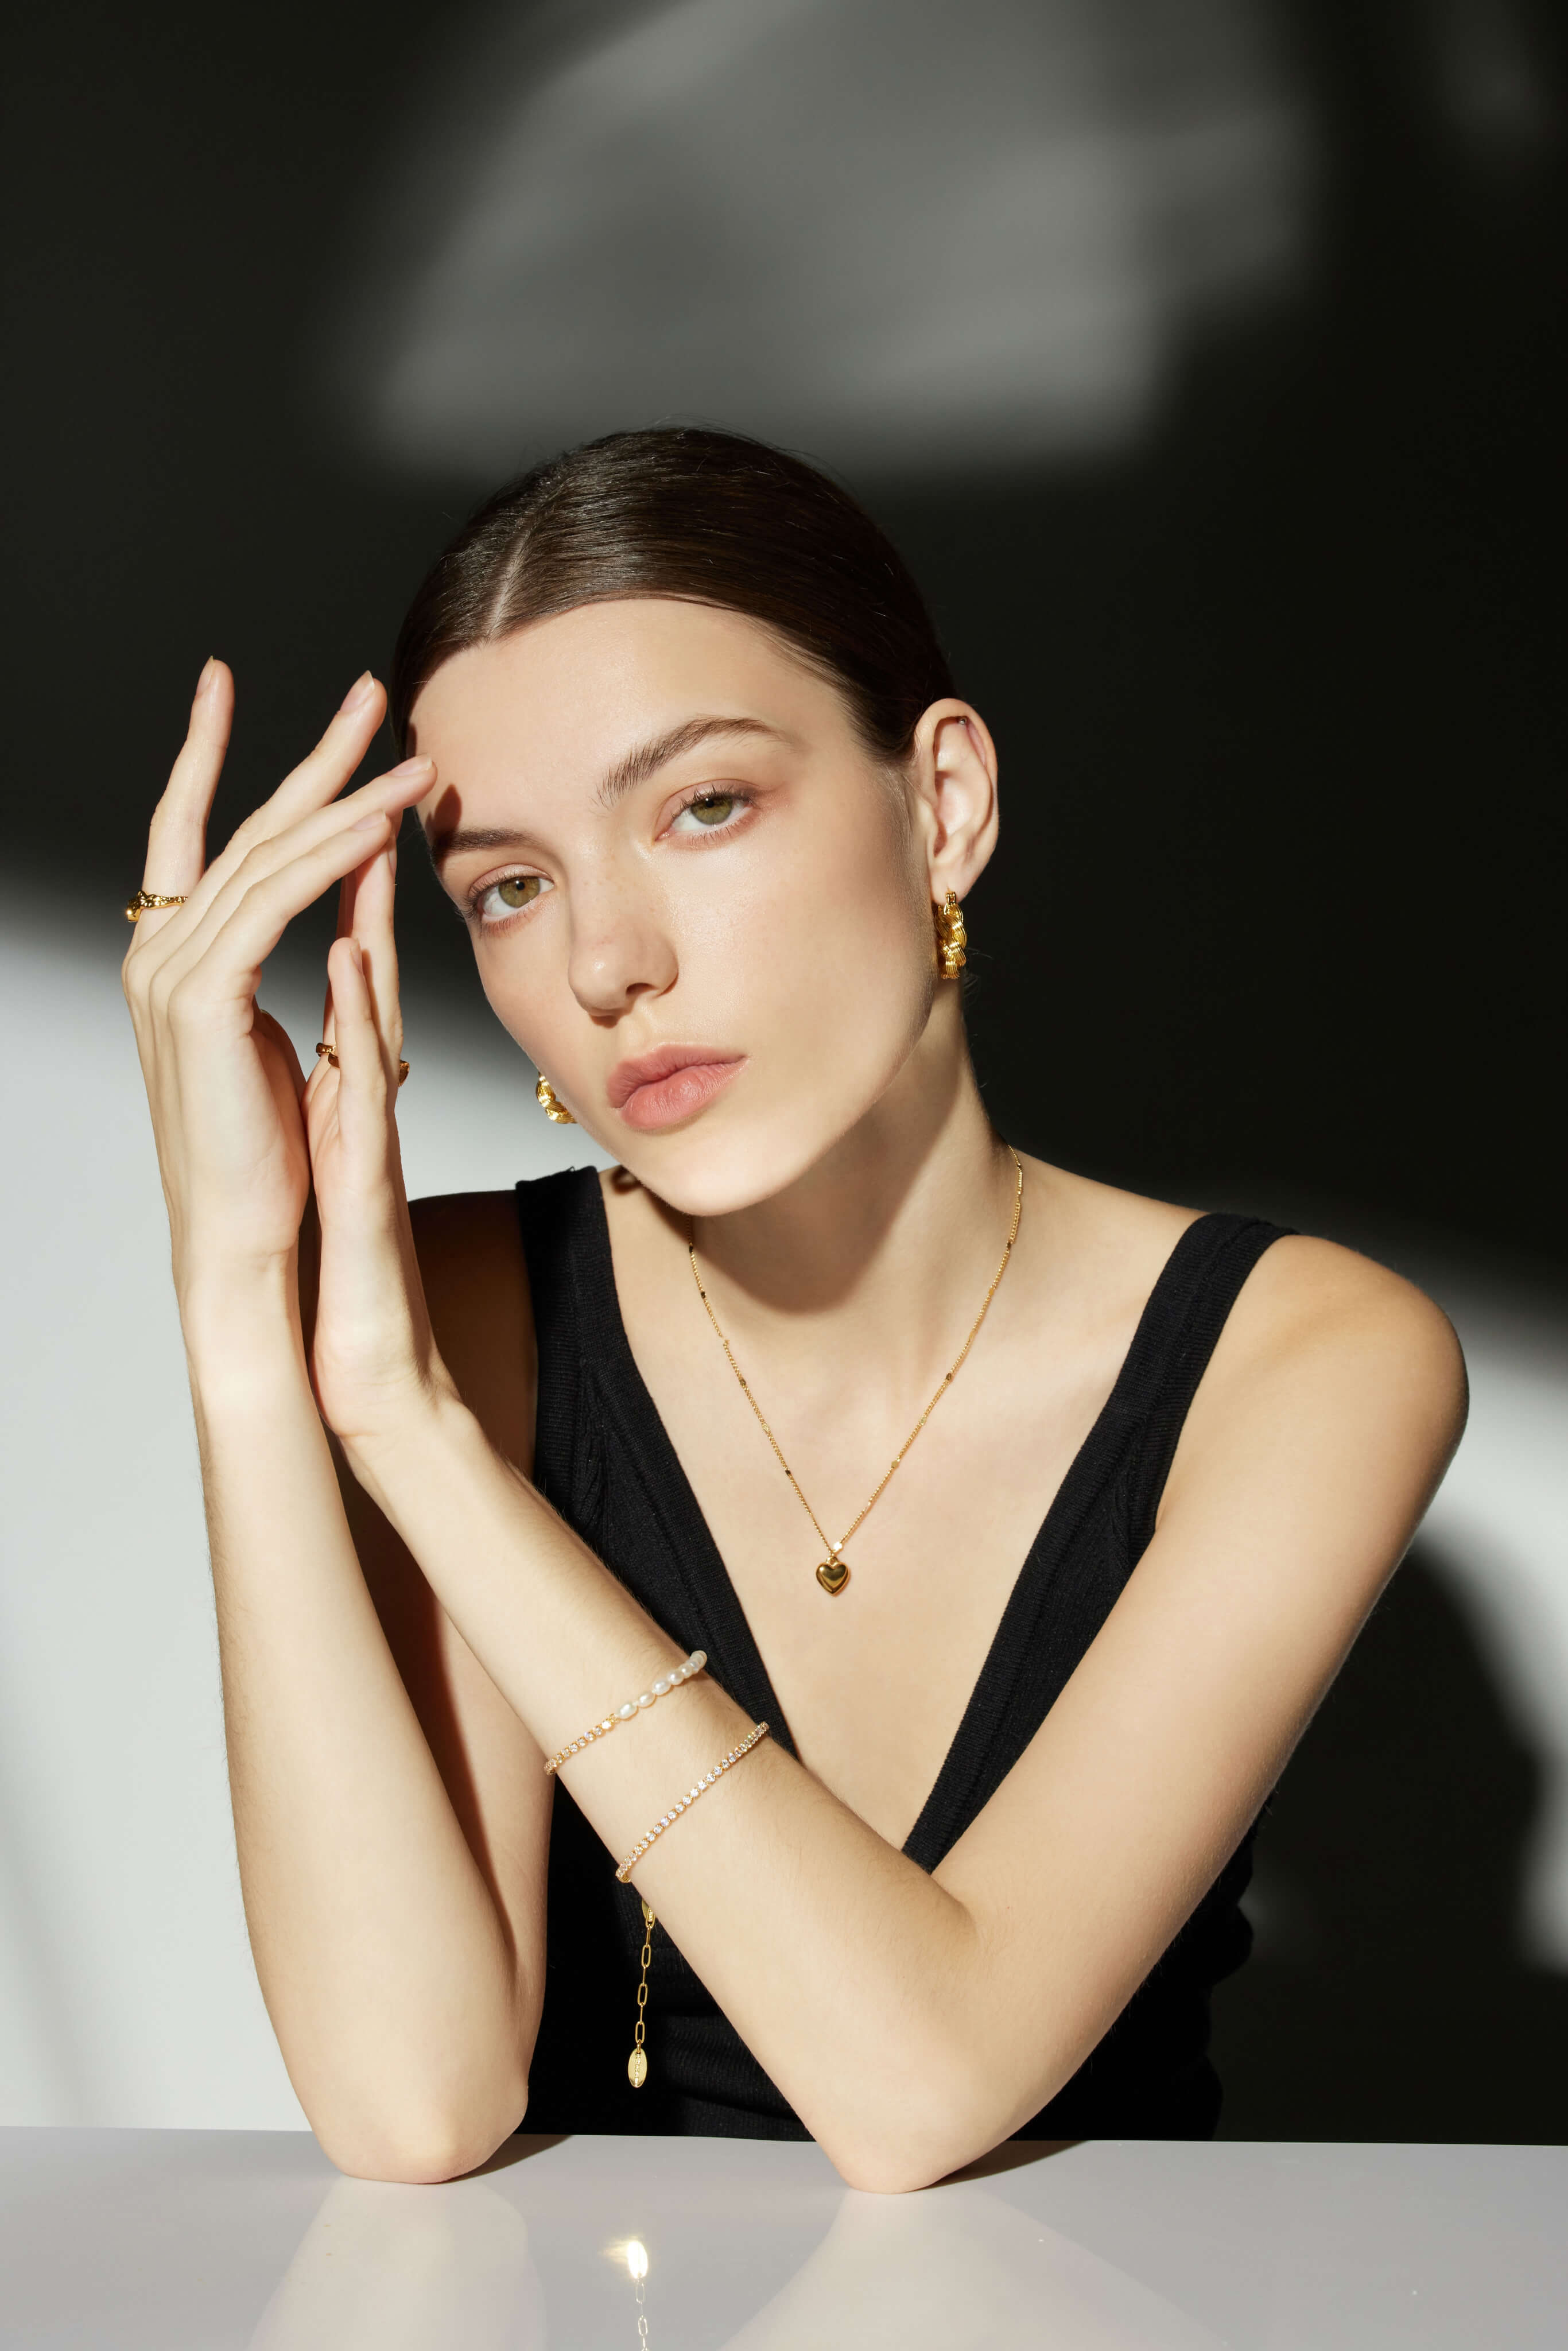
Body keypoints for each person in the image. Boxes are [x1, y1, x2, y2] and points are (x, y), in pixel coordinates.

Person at [122, 428, 1466, 2190]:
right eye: (510, 889)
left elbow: (923, 2092)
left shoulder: (1305, 1362)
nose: (610, 962)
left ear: (943, 806)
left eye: (703, 807)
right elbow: (413, 2106)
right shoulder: (448, 1315)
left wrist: (415, 1439)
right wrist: (248, 1320)